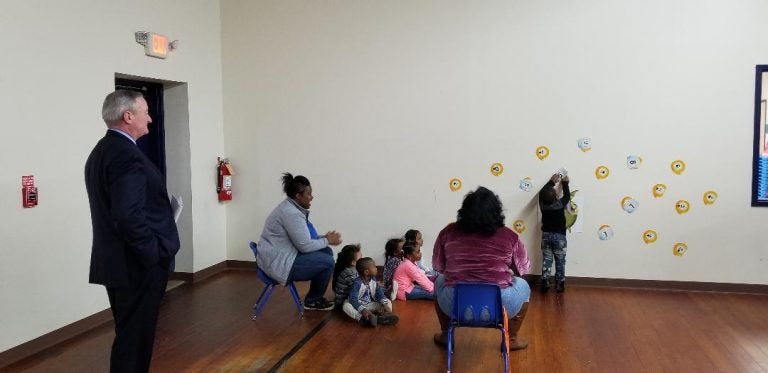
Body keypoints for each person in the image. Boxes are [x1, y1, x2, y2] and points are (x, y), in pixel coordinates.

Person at [85, 90, 180, 372]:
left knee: (130, 337)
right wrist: (154, 254)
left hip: (117, 263)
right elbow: (127, 216)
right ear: (128, 116)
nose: (150, 119)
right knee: (134, 342)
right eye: (146, 112)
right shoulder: (127, 157)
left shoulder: (101, 152)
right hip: (136, 266)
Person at [432, 186, 531, 351]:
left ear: (464, 211)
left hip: (455, 304)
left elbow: (438, 267)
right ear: (496, 212)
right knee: (523, 285)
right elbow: (523, 268)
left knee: (439, 281)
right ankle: (511, 339)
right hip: (499, 305)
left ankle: (445, 335)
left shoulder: (447, 233)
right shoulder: (510, 236)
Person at [256, 173, 342, 311]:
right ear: (298, 196)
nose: (312, 197)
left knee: (326, 251)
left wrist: (324, 239)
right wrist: (327, 240)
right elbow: (305, 246)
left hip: (281, 255)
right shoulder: (291, 213)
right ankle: (313, 301)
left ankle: (315, 297)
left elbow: (303, 240)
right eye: (309, 193)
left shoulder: (290, 207)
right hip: (279, 264)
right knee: (328, 262)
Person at [344, 257, 399, 327]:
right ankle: (362, 319)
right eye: (374, 267)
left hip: (369, 304)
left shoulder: (373, 280)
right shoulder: (357, 283)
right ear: (366, 272)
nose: (376, 268)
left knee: (387, 301)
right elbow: (353, 299)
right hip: (358, 306)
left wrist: (384, 305)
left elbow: (380, 294)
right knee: (346, 306)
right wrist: (363, 310)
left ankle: (384, 316)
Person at [538, 173, 570, 293]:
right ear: (556, 196)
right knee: (560, 260)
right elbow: (567, 196)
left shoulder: (542, 205)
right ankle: (559, 283)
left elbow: (542, 194)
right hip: (560, 237)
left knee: (547, 258)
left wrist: (551, 181)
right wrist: (565, 183)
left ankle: (545, 280)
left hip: (546, 236)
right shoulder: (559, 205)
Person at [332, 244, 362, 308]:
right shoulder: (349, 272)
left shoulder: (352, 269)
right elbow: (358, 288)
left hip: (348, 296)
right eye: (361, 259)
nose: (363, 260)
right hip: (343, 301)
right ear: (353, 262)